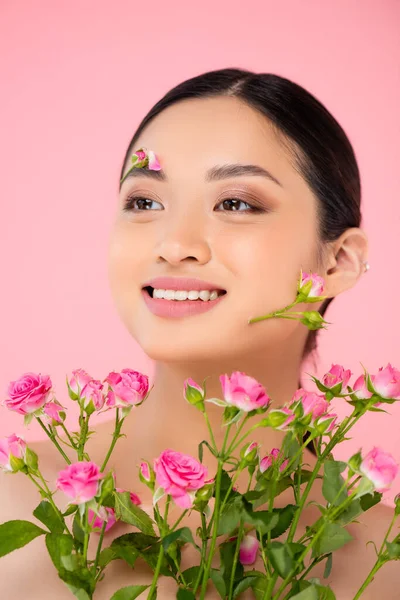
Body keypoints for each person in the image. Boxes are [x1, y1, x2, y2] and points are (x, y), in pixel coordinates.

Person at [0, 68, 398, 599]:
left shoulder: (382, 560)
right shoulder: (18, 499)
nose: (174, 242)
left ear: (339, 261)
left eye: (235, 203)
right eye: (144, 202)